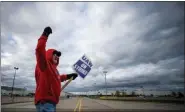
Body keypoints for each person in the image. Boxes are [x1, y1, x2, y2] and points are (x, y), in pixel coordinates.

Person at [34, 26, 78, 112]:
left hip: (51, 103)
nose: (57, 56)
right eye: (55, 54)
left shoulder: (54, 70)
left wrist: (69, 76)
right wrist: (45, 35)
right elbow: (39, 50)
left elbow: (58, 78)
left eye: (58, 55)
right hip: (45, 103)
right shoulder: (44, 64)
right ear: (49, 54)